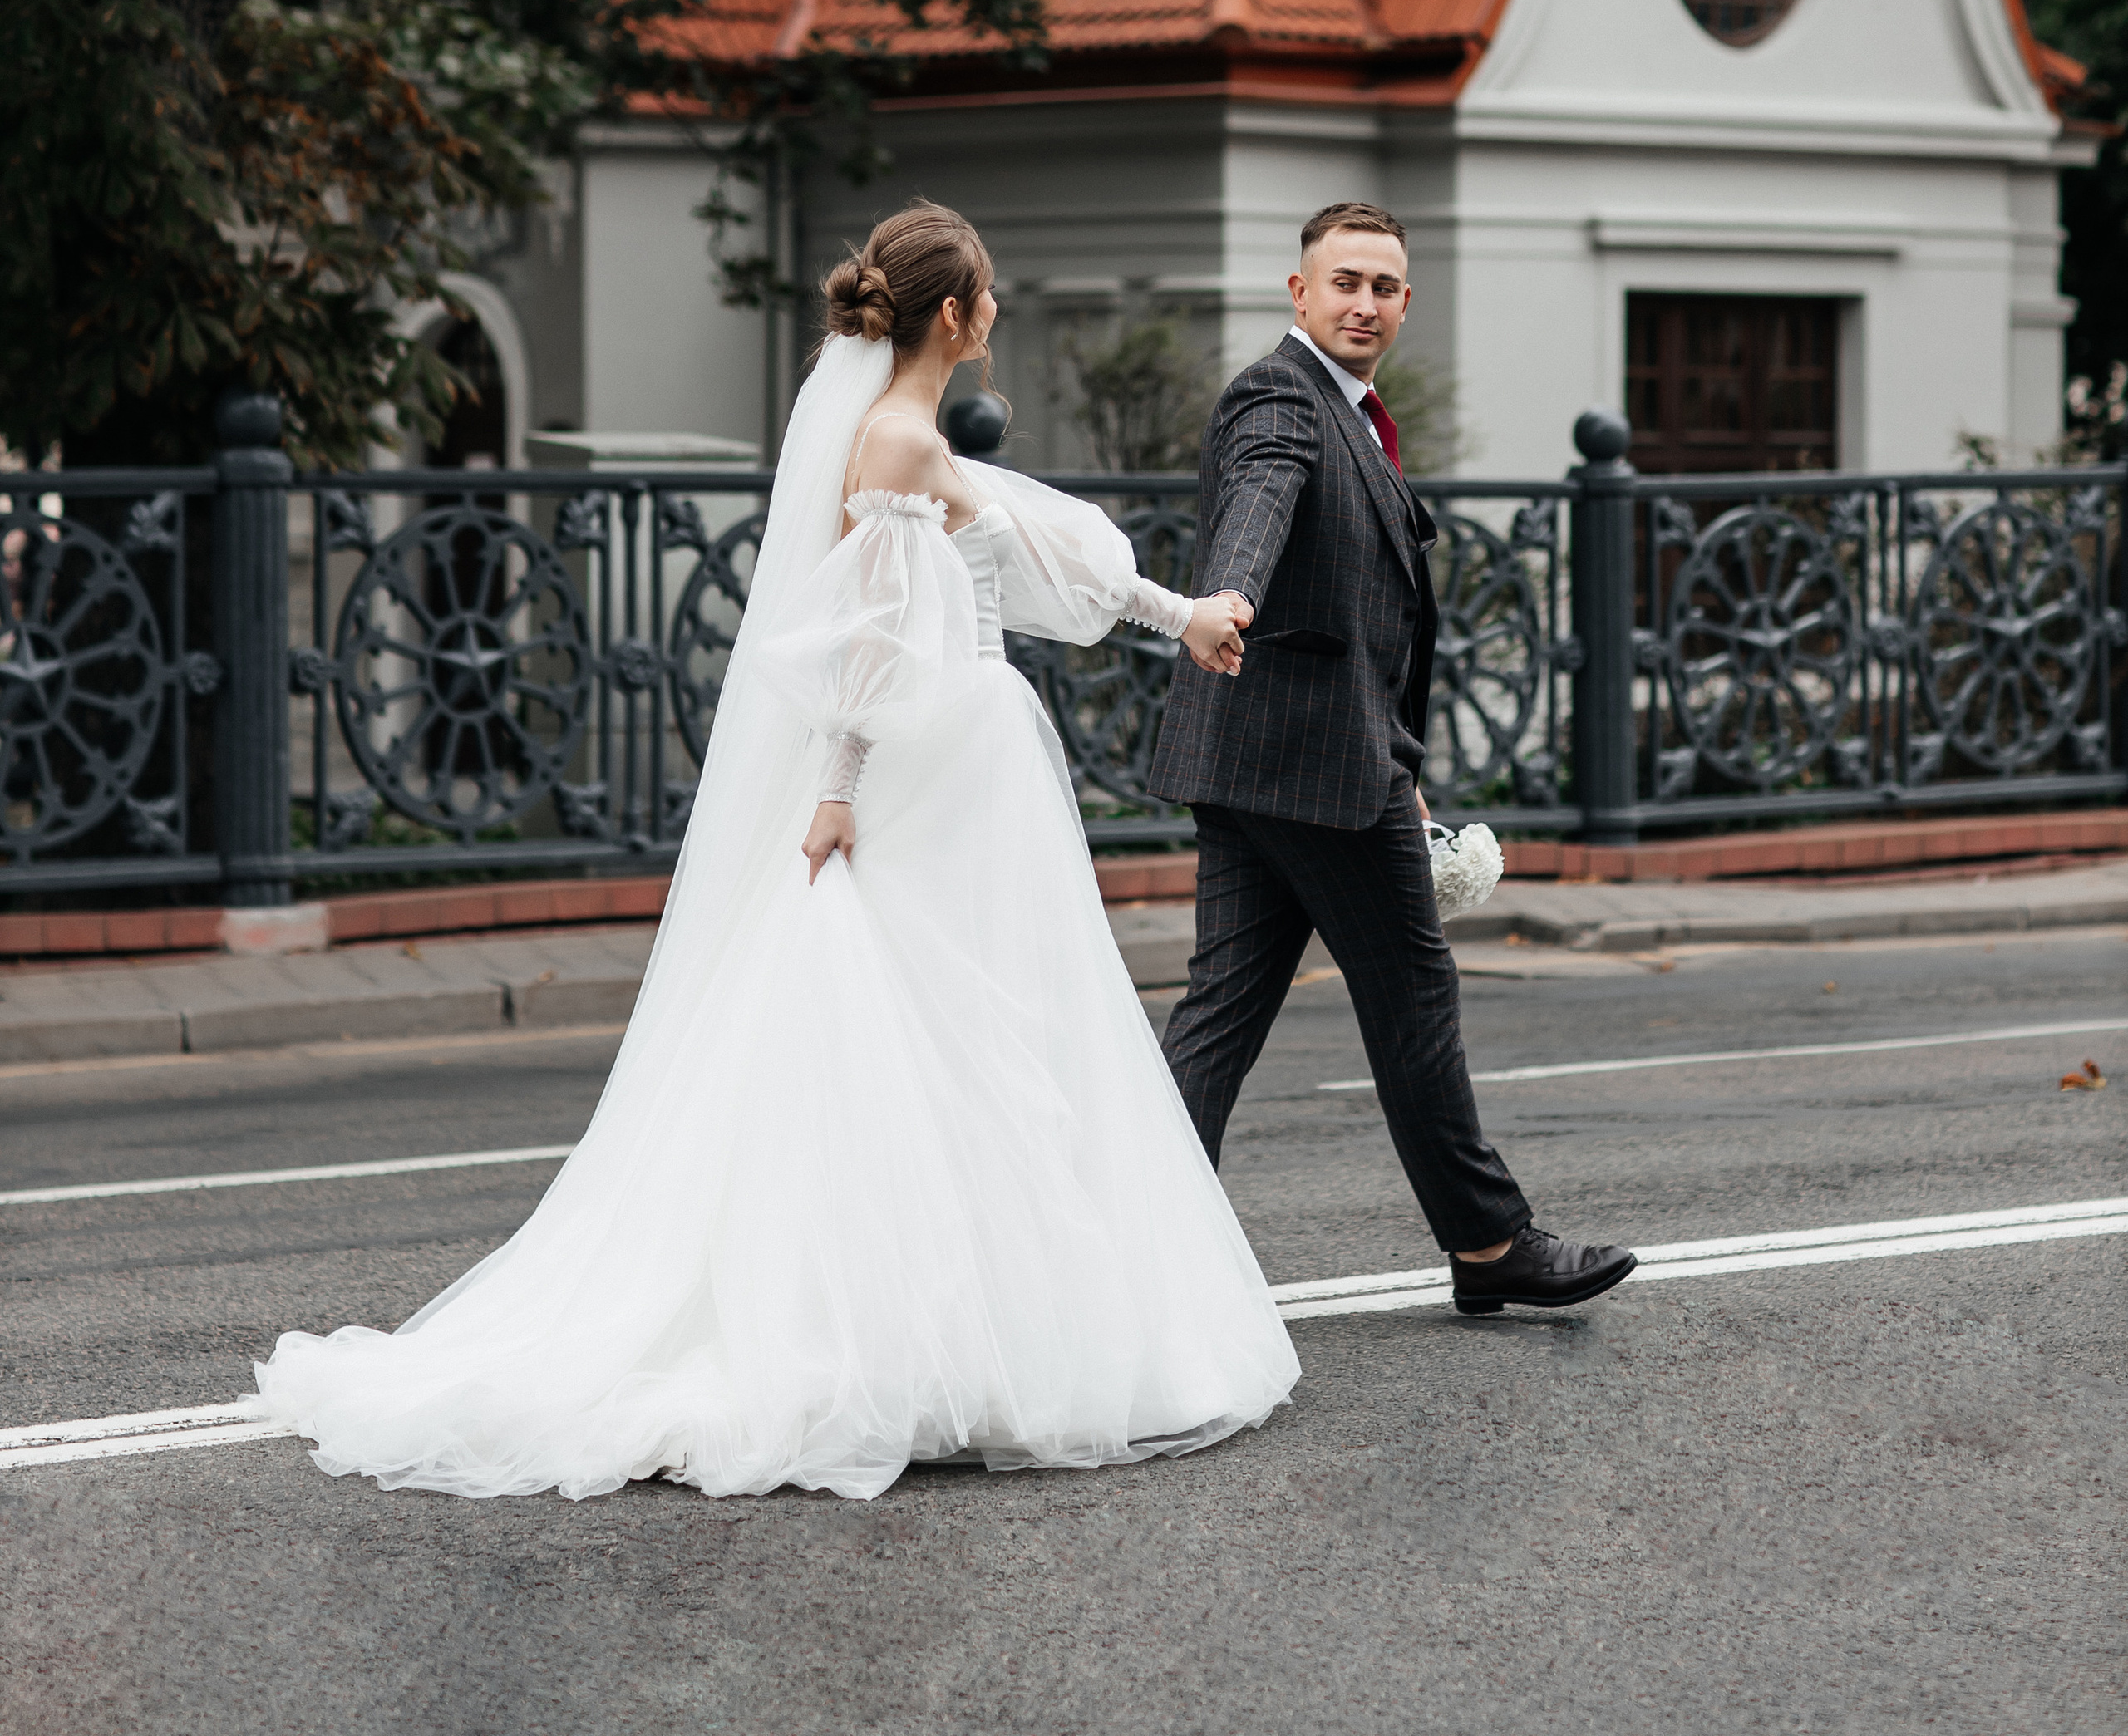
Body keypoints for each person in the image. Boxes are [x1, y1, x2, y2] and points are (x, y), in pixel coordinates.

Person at [256, 202, 1298, 1499]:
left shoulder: (911, 437)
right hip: (937, 760)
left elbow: (1025, 566)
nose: (1001, 312)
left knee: (983, 1033)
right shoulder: (902, 441)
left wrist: (1181, 614)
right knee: (932, 1034)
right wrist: (841, 786)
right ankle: (912, 1344)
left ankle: (967, 1333)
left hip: (971, 752)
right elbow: (870, 629)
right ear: (958, 313)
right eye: (992, 293)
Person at [1150, 199, 1637, 1318]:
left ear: (1405, 302)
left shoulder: (1356, 412)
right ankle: (1490, 1245)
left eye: (1384, 287)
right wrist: (1229, 596)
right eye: (1345, 282)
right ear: (1300, 293)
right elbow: (1261, 500)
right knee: (1413, 990)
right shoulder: (1282, 394)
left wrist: (1402, 763)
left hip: (1262, 760)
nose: (1364, 303)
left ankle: (1135, 1242)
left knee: (1220, 1012)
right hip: (1312, 771)